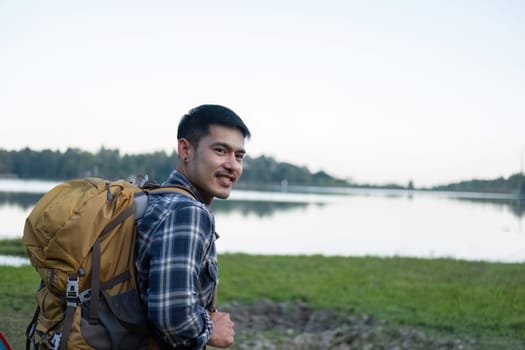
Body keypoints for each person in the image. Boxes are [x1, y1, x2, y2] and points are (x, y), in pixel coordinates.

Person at [135, 104, 251, 349]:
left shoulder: (155, 198)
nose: (233, 165)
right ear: (185, 149)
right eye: (220, 150)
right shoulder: (188, 211)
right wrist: (211, 330)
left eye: (239, 156)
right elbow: (173, 317)